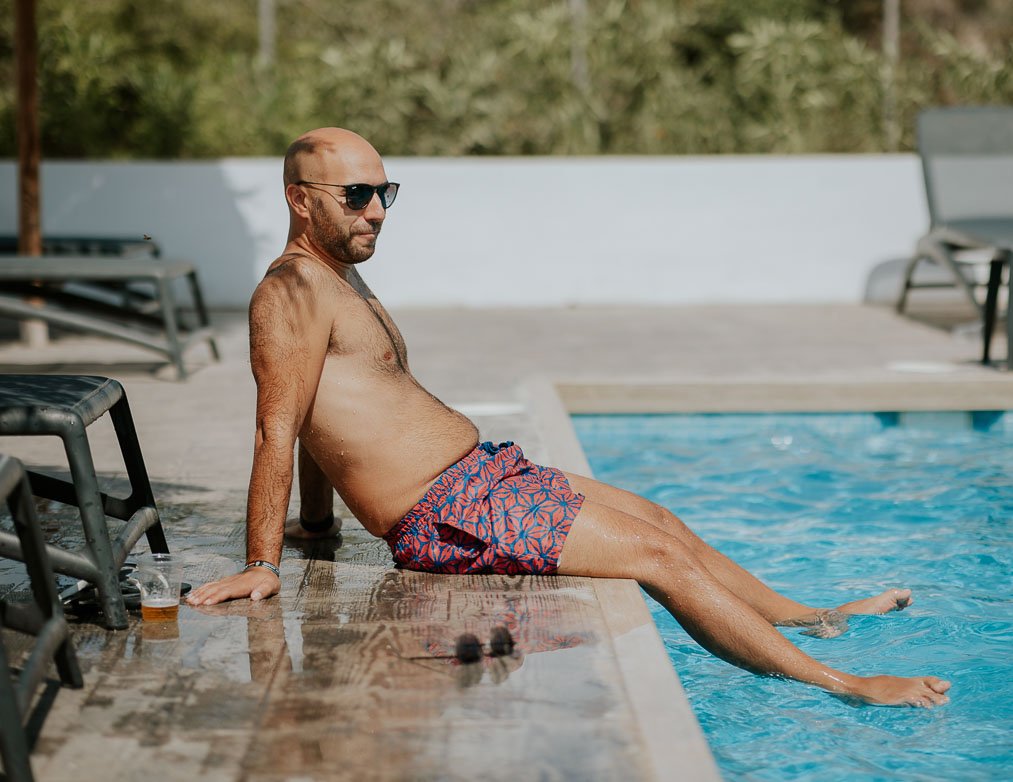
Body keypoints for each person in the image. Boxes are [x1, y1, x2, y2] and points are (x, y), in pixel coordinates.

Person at [187, 127, 951, 709]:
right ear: (300, 198)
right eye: (357, 196)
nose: (378, 212)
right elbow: (278, 426)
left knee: (660, 521)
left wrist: (317, 529)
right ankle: (843, 683)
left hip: (480, 481)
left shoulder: (338, 279)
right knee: (658, 561)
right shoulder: (288, 293)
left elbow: (327, 421)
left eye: (386, 191)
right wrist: (263, 565)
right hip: (446, 514)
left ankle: (807, 617)